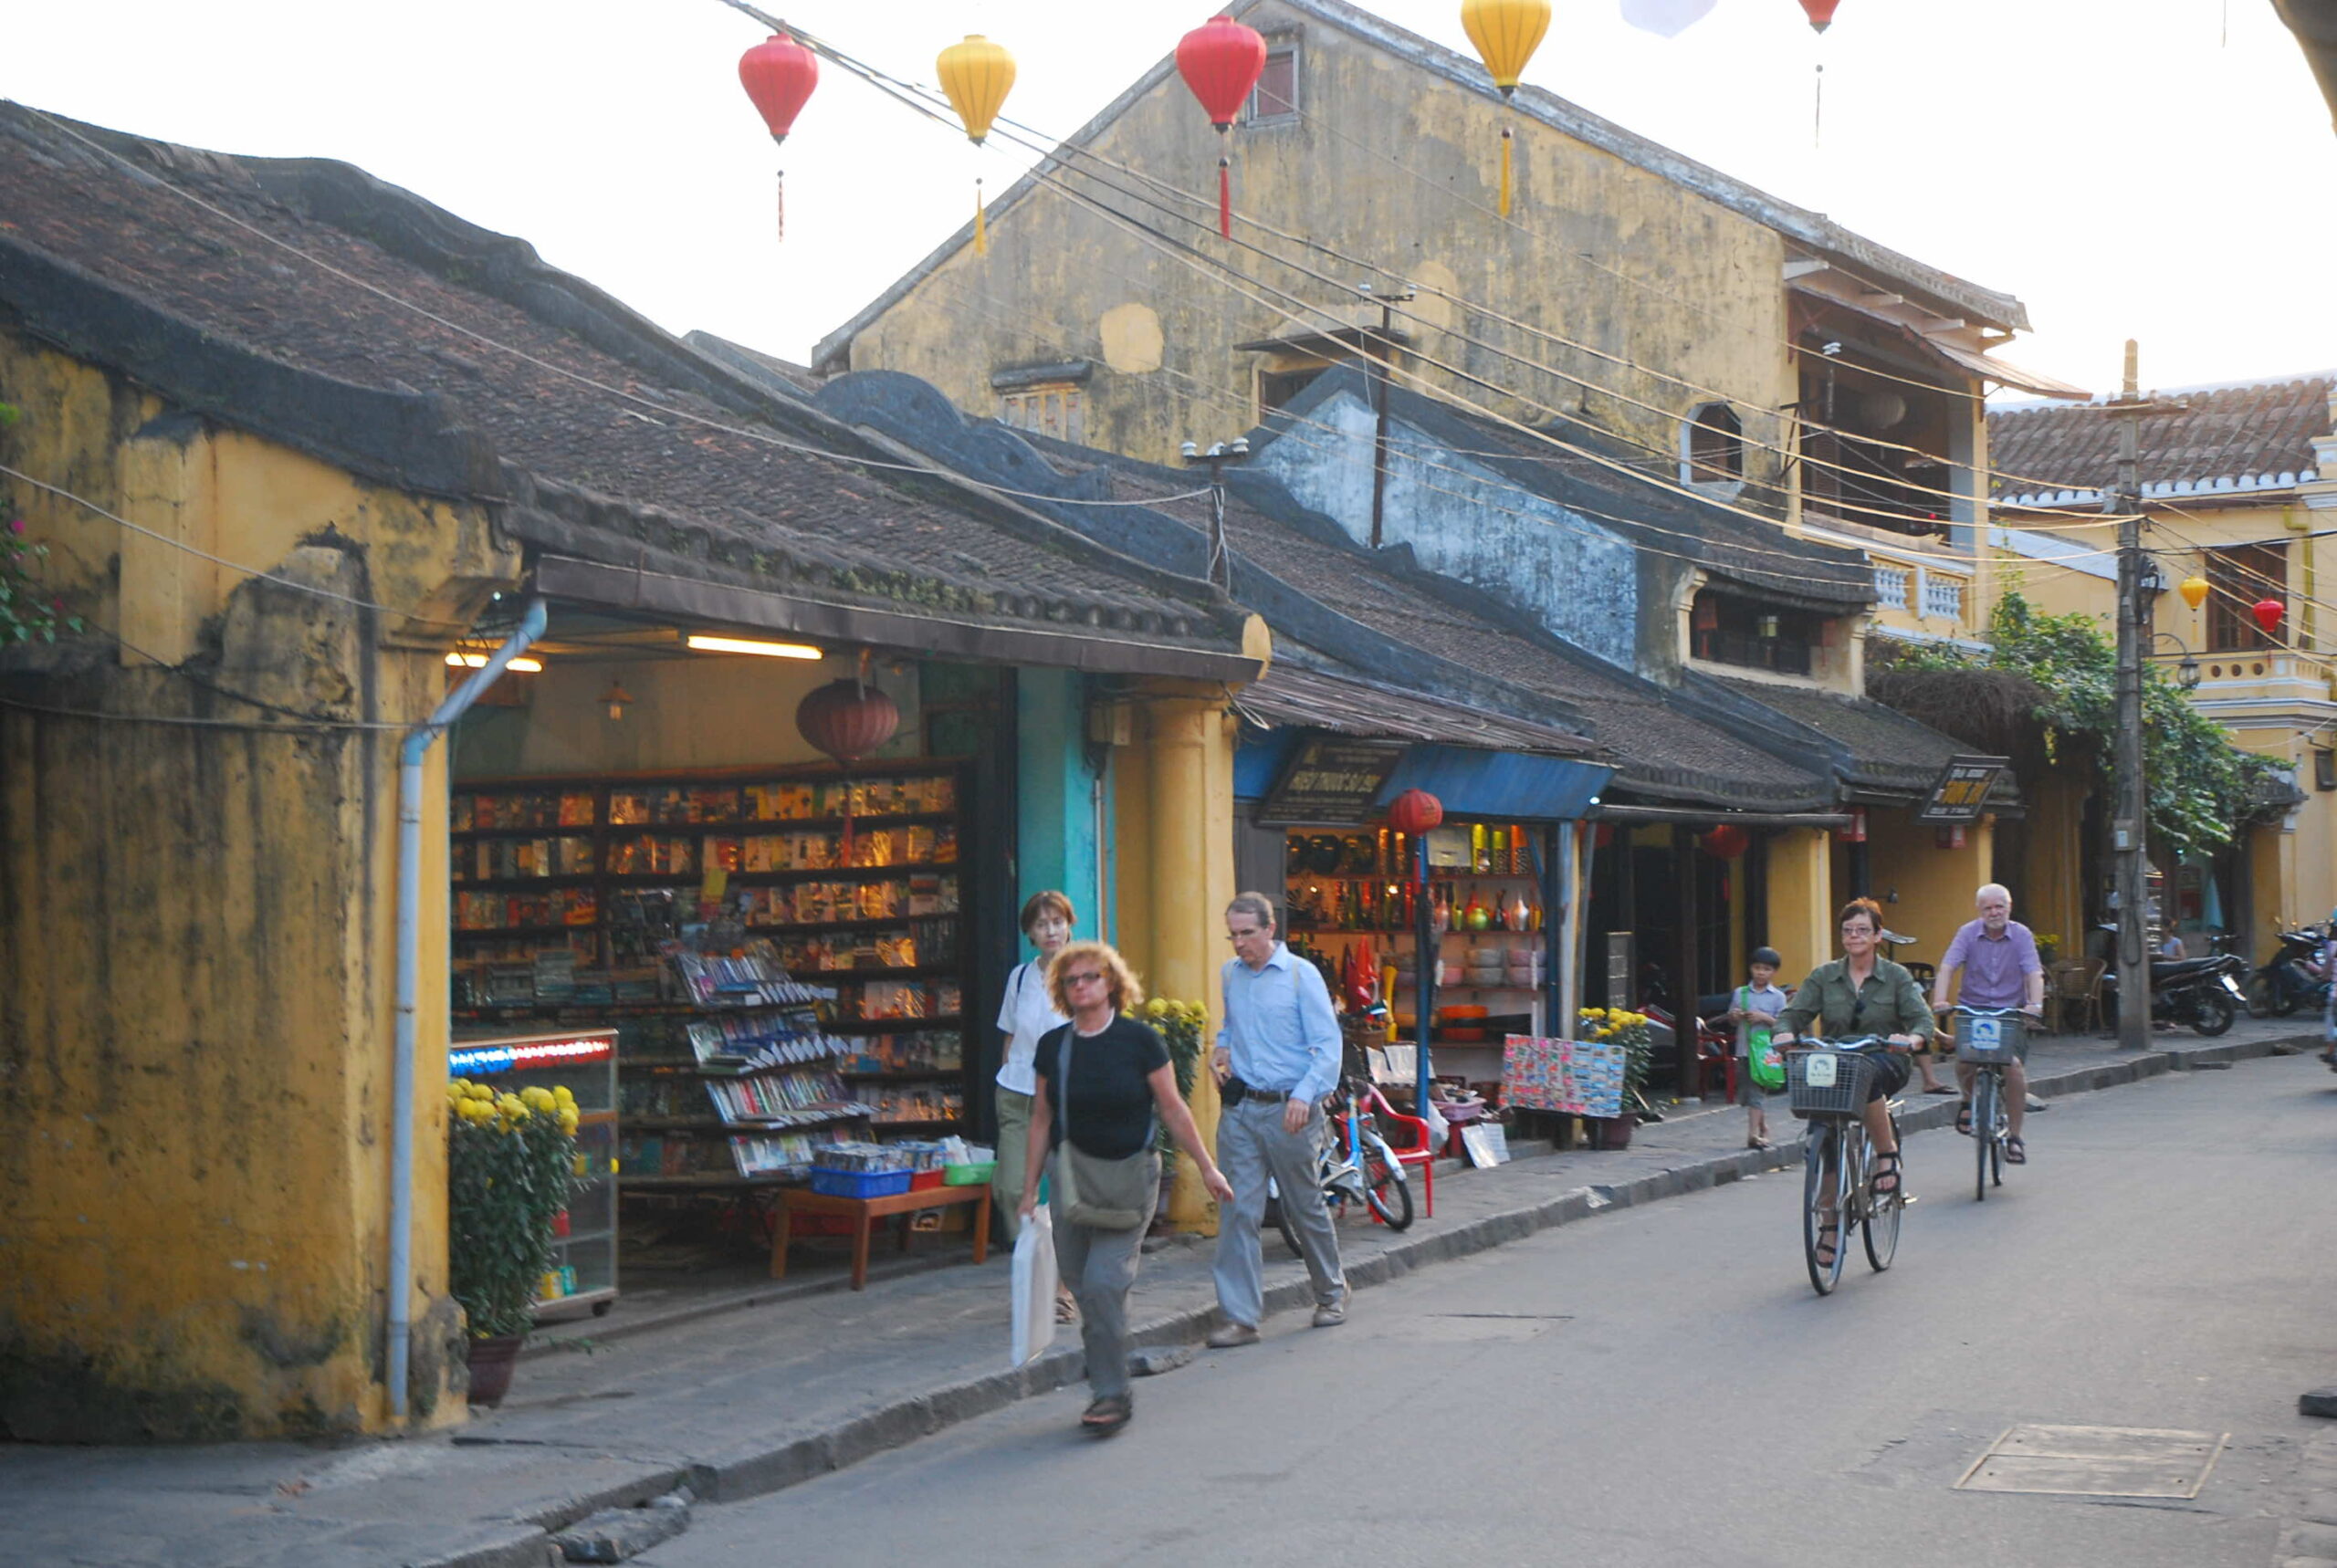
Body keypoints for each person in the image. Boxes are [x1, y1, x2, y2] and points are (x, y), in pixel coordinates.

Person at [1018, 941, 1231, 1437]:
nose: (1081, 987)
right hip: (1071, 1180)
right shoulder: (1055, 1046)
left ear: (1111, 982)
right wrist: (1029, 1190)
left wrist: (1207, 1168)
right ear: (1063, 991)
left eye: (1091, 977)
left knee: (1105, 1284)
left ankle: (1111, 1395)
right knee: (1090, 1291)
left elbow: (1174, 1108)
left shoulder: (1140, 1041)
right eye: (1072, 981)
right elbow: (1041, 1120)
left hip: (1130, 1178)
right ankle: (1109, 1359)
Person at [1206, 891, 1348, 1348]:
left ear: (1270, 930)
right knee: (1237, 1212)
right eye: (1234, 934)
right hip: (1243, 1107)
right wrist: (1221, 1048)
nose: (1240, 943)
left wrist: (1305, 1095)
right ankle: (1241, 1317)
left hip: (1292, 1109)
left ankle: (1331, 1291)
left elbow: (1328, 1047)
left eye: (1248, 933)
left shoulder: (1299, 976)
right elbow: (1231, 1024)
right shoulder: (1231, 974)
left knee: (1303, 1204)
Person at [1776, 898, 1929, 1271]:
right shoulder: (1824, 976)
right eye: (1847, 931)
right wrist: (1783, 1034)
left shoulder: (1896, 977)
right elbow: (1793, 1015)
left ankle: (1885, 1154)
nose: (1854, 937)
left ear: (1877, 935)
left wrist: (1913, 1039)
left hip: (1884, 1059)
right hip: (1835, 1062)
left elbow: (1920, 1018)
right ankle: (1829, 1226)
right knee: (1822, 1136)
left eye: (1862, 930)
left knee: (1868, 1074)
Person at [994, 891, 1076, 1322]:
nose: (1051, 931)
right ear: (1029, 932)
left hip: (1065, 1099)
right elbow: (1010, 1033)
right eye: (1042, 924)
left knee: (1065, 1197)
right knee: (1010, 1189)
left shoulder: (1083, 975)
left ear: (1069, 926)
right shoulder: (1021, 978)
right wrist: (1007, 1071)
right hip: (1017, 1093)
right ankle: (1036, 1268)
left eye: (1058, 922)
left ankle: (1060, 1290)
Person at [1929, 883, 2045, 1166]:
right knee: (1965, 1059)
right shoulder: (1967, 933)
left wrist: (2035, 1004)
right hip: (1973, 1009)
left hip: (2009, 1013)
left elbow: (2033, 972)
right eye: (1988, 908)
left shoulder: (2021, 935)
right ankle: (1968, 1101)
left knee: (2013, 1067)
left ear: (2009, 907)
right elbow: (1948, 966)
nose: (1994, 912)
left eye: (1999, 906)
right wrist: (1940, 1000)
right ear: (1980, 911)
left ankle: (2015, 1137)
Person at [1714, 946, 1789, 1150]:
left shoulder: (1778, 997)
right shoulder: (1741, 993)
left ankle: (1753, 1135)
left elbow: (1783, 1024)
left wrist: (1763, 1017)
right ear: (1750, 969)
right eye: (1757, 968)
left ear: (1773, 972)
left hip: (1765, 1052)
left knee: (1756, 1092)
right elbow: (1731, 1020)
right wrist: (1736, 1016)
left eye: (1766, 969)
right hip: (1744, 1049)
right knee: (1748, 1094)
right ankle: (1763, 1127)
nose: (1761, 973)